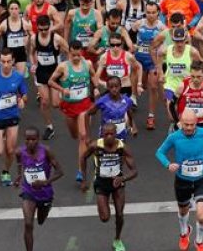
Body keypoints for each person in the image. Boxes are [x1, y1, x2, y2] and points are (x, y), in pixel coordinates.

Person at [156, 108, 203, 251]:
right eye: (186, 125)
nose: (189, 128)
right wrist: (168, 164)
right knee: (183, 210)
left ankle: (199, 241)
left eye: (192, 124)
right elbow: (159, 152)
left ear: (197, 122)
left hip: (201, 179)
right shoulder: (174, 137)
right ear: (181, 122)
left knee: (202, 216)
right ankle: (184, 232)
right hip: (182, 180)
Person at [82, 123, 139, 251]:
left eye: (111, 134)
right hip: (101, 183)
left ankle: (117, 240)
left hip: (118, 184)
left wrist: (122, 178)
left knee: (120, 214)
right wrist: (84, 179)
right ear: (102, 134)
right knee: (105, 218)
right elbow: (83, 158)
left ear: (116, 134)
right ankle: (103, 204)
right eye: (106, 134)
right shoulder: (96, 146)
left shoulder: (122, 147)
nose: (108, 137)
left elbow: (135, 171)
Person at [48, 41, 95, 183]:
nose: (76, 58)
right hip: (69, 107)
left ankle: (81, 170)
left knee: (82, 136)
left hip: (85, 105)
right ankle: (89, 148)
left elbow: (93, 76)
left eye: (78, 55)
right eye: (73, 55)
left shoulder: (87, 64)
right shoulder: (63, 67)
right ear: (69, 53)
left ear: (81, 52)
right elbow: (51, 81)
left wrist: (97, 86)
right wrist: (62, 89)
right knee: (75, 135)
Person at [0, 50, 29, 186]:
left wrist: (21, 100)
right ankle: (1, 137)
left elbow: (25, 94)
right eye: (3, 61)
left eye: (8, 61)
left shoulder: (18, 77)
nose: (6, 65)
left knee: (10, 150)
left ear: (13, 61)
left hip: (12, 116)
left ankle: (5, 171)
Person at [15, 126, 65, 251]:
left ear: (38, 140)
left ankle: (46, 207)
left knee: (41, 220)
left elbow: (60, 172)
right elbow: (19, 164)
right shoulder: (19, 152)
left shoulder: (46, 151)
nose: (30, 142)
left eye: (33, 139)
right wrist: (19, 176)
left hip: (45, 193)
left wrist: (45, 182)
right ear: (24, 140)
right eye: (27, 139)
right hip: (29, 192)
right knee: (28, 224)